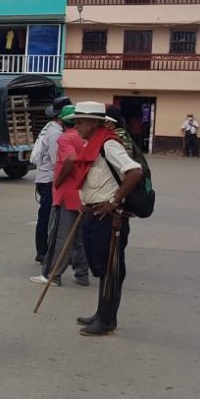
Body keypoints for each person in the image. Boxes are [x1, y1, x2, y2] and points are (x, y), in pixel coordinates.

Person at [66, 102, 144, 336]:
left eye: (79, 121)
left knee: (110, 268)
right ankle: (102, 313)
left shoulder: (109, 144)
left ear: (93, 123)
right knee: (100, 266)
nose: (76, 126)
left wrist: (113, 201)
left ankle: (107, 319)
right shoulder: (94, 143)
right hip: (94, 212)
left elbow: (134, 172)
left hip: (109, 216)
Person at [31, 105, 89, 287]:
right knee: (78, 237)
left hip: (65, 193)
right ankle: (82, 274)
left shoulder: (65, 138)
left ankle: (51, 275)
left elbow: (70, 160)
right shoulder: (83, 138)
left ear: (63, 121)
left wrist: (59, 179)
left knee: (57, 236)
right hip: (81, 193)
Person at [31, 97, 70, 264]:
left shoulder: (52, 129)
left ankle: (43, 251)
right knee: (46, 217)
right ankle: (42, 252)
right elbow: (57, 160)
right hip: (49, 179)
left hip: (46, 178)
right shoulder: (55, 134)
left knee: (47, 216)